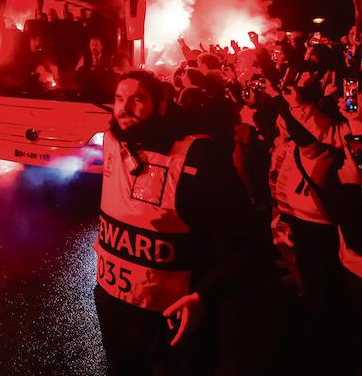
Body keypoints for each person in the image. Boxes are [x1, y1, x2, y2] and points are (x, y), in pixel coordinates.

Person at [94, 71, 274, 376]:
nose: (125, 108)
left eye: (137, 99)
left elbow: (250, 240)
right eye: (119, 99)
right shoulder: (113, 141)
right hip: (116, 314)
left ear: (162, 105)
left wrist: (204, 295)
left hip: (170, 322)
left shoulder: (197, 157)